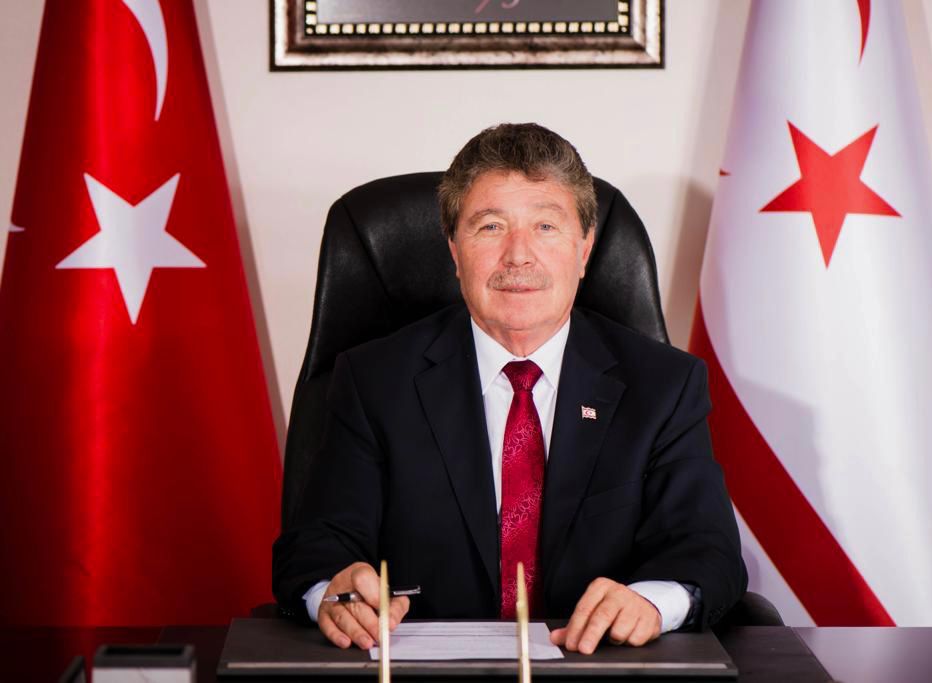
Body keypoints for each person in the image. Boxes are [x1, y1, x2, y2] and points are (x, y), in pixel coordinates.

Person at [272, 123, 746, 655]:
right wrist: (333, 593)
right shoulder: (374, 380)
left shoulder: (662, 386)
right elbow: (314, 548)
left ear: (584, 249)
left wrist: (652, 602)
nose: (518, 255)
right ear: (454, 250)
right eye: (491, 226)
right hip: (421, 670)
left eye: (545, 226)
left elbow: (708, 550)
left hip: (599, 666)